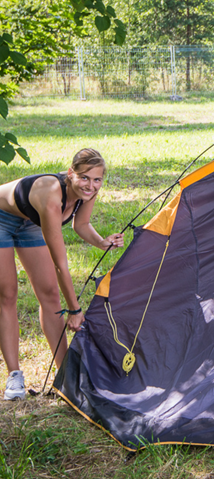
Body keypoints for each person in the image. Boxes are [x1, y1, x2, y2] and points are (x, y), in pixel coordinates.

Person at [0, 148, 123, 400]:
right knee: (7, 293)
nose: (91, 185)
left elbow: (82, 224)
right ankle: (14, 377)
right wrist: (75, 310)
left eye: (97, 179)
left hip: (29, 222)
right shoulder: (51, 195)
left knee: (49, 293)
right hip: (2, 217)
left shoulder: (87, 193)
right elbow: (60, 264)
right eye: (85, 178)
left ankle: (66, 374)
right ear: (70, 173)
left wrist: (102, 242)